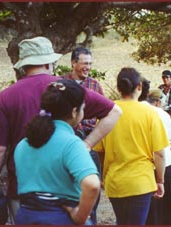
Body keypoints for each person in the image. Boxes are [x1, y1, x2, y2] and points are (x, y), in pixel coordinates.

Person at [0, 36, 122, 224]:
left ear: (23, 65)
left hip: (23, 196)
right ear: (50, 62)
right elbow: (115, 111)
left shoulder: (7, 98)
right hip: (66, 199)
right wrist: (88, 143)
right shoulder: (66, 91)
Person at [14, 80, 100, 225]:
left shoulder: (23, 144)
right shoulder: (72, 144)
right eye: (82, 108)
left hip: (25, 216)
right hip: (60, 218)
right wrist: (80, 216)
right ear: (74, 112)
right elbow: (92, 184)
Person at [93, 67, 168, 225]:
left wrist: (106, 175)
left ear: (118, 88)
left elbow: (100, 150)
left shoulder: (107, 112)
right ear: (139, 87)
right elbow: (160, 154)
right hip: (140, 183)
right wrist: (160, 180)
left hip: (115, 182)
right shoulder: (150, 113)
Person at [63, 47, 104, 224]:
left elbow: (105, 114)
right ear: (73, 63)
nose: (88, 67)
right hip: (65, 142)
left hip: (88, 143)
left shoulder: (95, 85)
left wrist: (92, 139)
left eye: (90, 64)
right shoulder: (61, 83)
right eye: (84, 63)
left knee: (91, 189)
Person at [139, 85, 171, 225]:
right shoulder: (162, 114)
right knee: (167, 204)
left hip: (142, 163)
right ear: (157, 102)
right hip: (164, 163)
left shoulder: (134, 110)